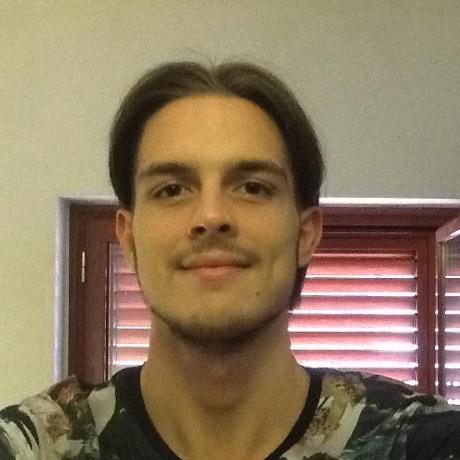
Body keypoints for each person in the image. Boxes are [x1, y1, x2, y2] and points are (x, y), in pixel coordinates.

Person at [1, 61, 460, 460]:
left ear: (305, 235)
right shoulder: (36, 445)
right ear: (129, 238)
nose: (212, 216)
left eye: (253, 187)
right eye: (172, 189)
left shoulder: (421, 442)